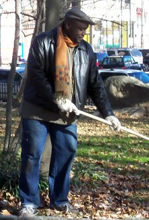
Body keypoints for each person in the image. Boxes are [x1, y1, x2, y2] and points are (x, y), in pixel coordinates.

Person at [18, 8, 121, 217]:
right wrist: (57, 99)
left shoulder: (86, 50)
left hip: (67, 113)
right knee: (32, 155)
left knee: (66, 153)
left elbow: (95, 85)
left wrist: (108, 113)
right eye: (80, 28)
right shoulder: (42, 42)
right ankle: (29, 202)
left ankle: (59, 200)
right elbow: (36, 77)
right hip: (37, 109)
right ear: (67, 24)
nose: (83, 32)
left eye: (85, 29)